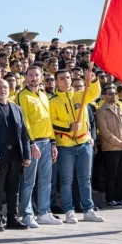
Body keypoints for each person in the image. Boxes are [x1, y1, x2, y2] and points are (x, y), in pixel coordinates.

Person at [49, 69, 104, 223]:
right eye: (62, 78)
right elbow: (51, 121)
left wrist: (92, 81)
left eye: (67, 78)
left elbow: (95, 93)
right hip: (65, 146)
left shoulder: (80, 95)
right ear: (56, 82)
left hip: (84, 143)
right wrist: (68, 127)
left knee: (85, 178)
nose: (66, 81)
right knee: (66, 180)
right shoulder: (53, 101)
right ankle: (69, 210)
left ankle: (89, 210)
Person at [0, 79, 31, 230]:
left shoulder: (16, 108)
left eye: (5, 87)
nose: (2, 89)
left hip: (16, 155)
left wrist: (27, 154)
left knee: (13, 189)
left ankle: (13, 218)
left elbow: (23, 132)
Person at [16, 66, 57, 228]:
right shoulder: (22, 95)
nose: (34, 78)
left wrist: (53, 142)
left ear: (41, 78)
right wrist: (31, 143)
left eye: (37, 75)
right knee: (29, 181)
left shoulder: (44, 95)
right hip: (33, 143)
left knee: (46, 180)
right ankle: (27, 214)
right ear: (26, 77)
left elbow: (48, 120)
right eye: (31, 75)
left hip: (47, 141)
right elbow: (23, 121)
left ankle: (44, 212)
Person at [96, 86, 122, 207]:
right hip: (111, 148)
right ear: (104, 96)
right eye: (111, 94)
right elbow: (104, 131)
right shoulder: (101, 111)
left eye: (115, 94)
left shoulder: (119, 109)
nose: (114, 96)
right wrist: (118, 142)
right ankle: (110, 198)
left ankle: (120, 197)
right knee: (112, 174)